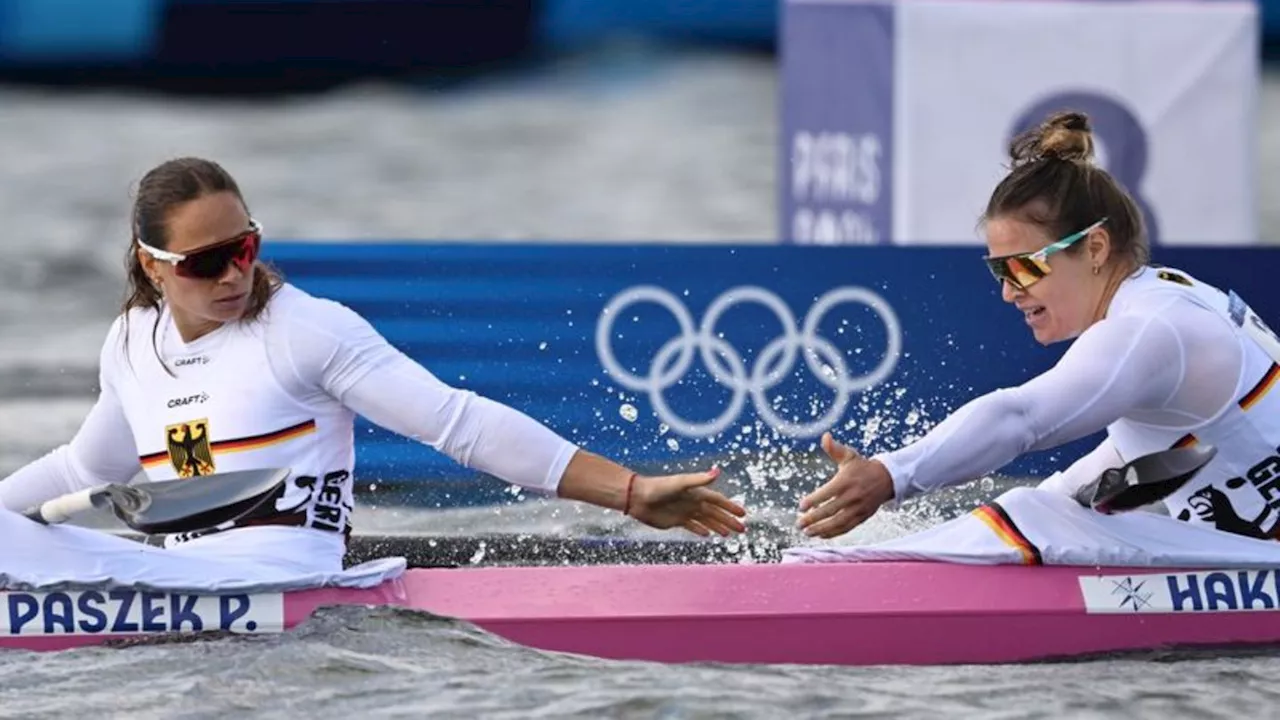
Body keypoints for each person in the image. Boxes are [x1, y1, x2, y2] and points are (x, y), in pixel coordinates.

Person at [0, 157, 746, 578]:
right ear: (152, 267)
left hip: (282, 575)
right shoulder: (132, 340)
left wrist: (629, 491)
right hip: (179, 579)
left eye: (245, 248)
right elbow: (78, 472)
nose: (232, 275)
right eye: (205, 262)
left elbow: (458, 424)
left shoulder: (306, 330)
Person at [796, 110, 1280, 541]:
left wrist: (889, 475)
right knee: (1039, 506)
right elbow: (1143, 461)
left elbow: (1020, 418)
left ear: (1094, 248)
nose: (1009, 291)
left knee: (1032, 513)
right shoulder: (1168, 304)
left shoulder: (1149, 329)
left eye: (1023, 267)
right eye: (998, 271)